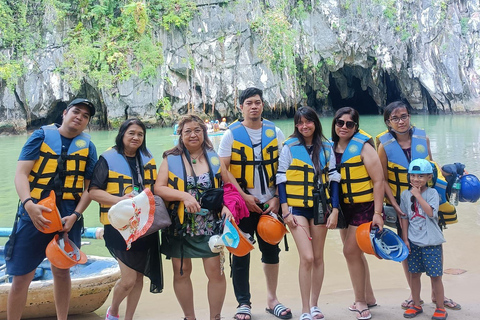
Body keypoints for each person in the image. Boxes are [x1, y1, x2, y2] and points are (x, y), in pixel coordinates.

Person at [5, 98, 97, 320]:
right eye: (76, 112)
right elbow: (21, 174)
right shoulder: (40, 136)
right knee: (21, 276)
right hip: (36, 211)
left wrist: (76, 215)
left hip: (68, 215)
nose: (80, 117)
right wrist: (29, 205)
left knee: (62, 271)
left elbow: (90, 189)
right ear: (65, 113)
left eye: (85, 116)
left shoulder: (88, 147)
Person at [376, 101, 460, 310]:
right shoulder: (384, 146)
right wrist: (394, 204)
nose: (401, 121)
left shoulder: (423, 138)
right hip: (403, 206)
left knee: (434, 244)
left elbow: (432, 167)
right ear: (388, 122)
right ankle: (415, 298)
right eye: (395, 118)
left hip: (428, 201)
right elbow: (382, 179)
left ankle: (437, 294)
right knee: (408, 248)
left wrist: (452, 175)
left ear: (409, 116)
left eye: (404, 116)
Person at [217, 87, 291, 320]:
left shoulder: (275, 132)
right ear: (241, 107)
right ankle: (243, 303)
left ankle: (272, 300)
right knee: (240, 253)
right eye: (249, 103)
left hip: (270, 204)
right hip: (243, 204)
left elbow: (284, 168)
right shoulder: (230, 134)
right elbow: (223, 169)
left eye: (257, 102)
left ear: (263, 105)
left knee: (272, 251)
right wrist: (243, 197)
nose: (254, 106)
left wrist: (278, 198)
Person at [154, 114, 233, 320]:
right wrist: (184, 196)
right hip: (180, 225)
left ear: (204, 133)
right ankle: (189, 317)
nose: (193, 134)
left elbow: (227, 187)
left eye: (197, 130)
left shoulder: (213, 157)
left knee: (216, 272)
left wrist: (227, 206)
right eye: (187, 131)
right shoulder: (170, 158)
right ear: (180, 134)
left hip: (209, 225)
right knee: (181, 272)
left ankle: (215, 317)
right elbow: (159, 188)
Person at [89, 119, 163, 320]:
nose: (136, 137)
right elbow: (93, 192)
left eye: (140, 134)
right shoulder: (107, 159)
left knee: (138, 277)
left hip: (143, 225)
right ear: (122, 134)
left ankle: (128, 317)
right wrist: (119, 200)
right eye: (131, 133)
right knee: (129, 279)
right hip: (118, 226)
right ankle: (113, 311)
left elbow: (155, 190)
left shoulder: (147, 159)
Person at [276, 106, 341, 320]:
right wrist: (285, 210)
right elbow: (281, 178)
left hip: (321, 206)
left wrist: (335, 210)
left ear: (315, 123)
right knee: (307, 257)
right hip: (297, 207)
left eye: (308, 122)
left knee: (319, 257)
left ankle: (315, 305)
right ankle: (304, 309)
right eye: (300, 122)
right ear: (296, 125)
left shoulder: (327, 147)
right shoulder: (289, 146)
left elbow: (334, 179)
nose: (304, 126)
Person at [331, 107, 384, 320]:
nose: (344, 127)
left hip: (364, 206)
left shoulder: (364, 147)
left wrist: (378, 212)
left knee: (350, 252)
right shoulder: (330, 147)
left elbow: (379, 180)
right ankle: (368, 296)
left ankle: (361, 302)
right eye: (340, 123)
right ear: (334, 124)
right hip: (343, 207)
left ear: (356, 126)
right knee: (355, 253)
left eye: (349, 124)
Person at [400, 159, 447, 320]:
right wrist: (405, 239)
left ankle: (440, 307)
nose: (416, 179)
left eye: (420, 176)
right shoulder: (405, 195)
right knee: (414, 274)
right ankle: (416, 304)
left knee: (435, 276)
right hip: (414, 241)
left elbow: (431, 213)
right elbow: (405, 217)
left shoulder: (432, 193)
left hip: (431, 242)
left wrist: (418, 196)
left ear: (429, 177)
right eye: (412, 175)